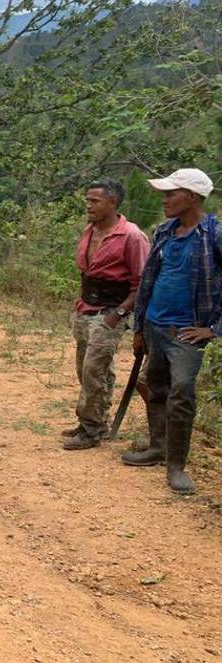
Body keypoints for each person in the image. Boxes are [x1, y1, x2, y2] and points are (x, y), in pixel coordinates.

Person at [123, 167, 222, 494]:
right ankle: (158, 446)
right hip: (154, 325)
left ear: (191, 197)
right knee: (157, 387)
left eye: (170, 194)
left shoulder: (215, 236)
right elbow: (149, 280)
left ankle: (176, 466)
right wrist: (139, 326)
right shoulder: (165, 232)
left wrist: (213, 329)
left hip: (186, 333)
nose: (164, 200)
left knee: (182, 393)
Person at [61, 179, 149, 450]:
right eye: (87, 200)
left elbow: (143, 282)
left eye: (95, 201)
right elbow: (87, 272)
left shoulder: (132, 236)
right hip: (86, 308)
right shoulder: (90, 230)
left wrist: (120, 312)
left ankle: (91, 430)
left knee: (93, 369)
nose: (88, 205)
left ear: (113, 202)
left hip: (111, 311)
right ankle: (95, 420)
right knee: (87, 368)